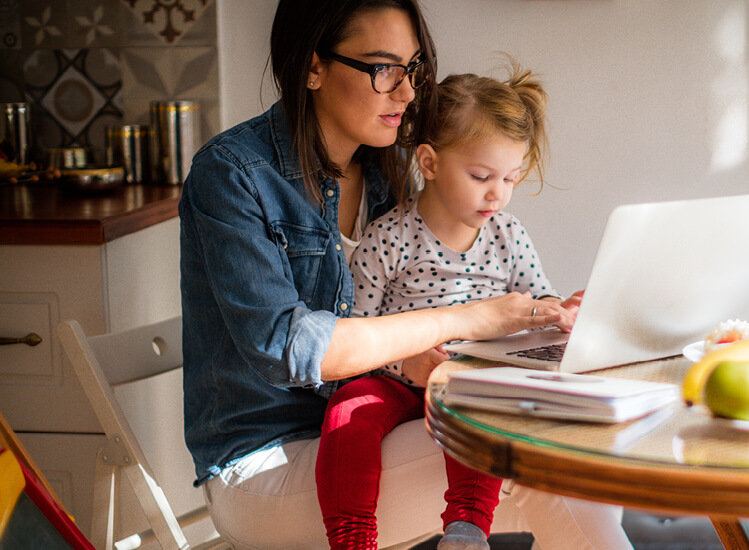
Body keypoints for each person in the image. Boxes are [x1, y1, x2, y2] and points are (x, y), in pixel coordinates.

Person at [179, 0, 634, 548]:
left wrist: (557, 316)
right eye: (383, 69)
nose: (408, 92)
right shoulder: (233, 175)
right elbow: (291, 349)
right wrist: (468, 319)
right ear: (313, 68)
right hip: (269, 460)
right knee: (537, 450)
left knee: (566, 460)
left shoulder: (388, 168)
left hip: (384, 426)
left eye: (412, 68)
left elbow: (415, 301)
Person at [316, 64, 585, 550]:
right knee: (346, 411)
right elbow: (355, 330)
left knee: (481, 410)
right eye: (481, 175)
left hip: (470, 375)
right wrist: (404, 361)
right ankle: (353, 539)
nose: (497, 193)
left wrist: (558, 309)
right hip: (392, 378)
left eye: (510, 178)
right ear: (430, 162)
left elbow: (534, 293)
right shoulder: (390, 237)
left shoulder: (507, 234)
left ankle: (467, 529)